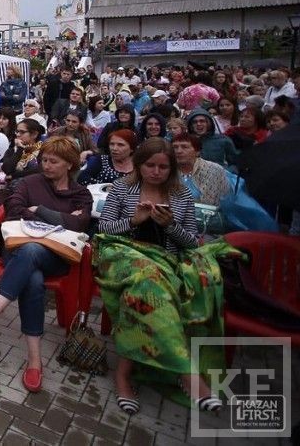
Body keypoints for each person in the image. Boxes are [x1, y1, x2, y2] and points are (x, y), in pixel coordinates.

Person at [94, 138, 227, 415]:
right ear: (140, 165)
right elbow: (103, 230)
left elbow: (192, 242)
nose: (156, 172)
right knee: (147, 277)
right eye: (150, 165)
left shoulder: (181, 196)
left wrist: (170, 226)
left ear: (172, 169)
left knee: (149, 287)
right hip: (121, 255)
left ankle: (124, 373)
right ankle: (185, 370)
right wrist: (134, 220)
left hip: (164, 261)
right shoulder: (122, 189)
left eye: (163, 167)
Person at [0, 137, 93, 392]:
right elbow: (14, 210)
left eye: (53, 161)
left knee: (34, 251)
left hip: (56, 256)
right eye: (44, 160)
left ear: (69, 164)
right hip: (19, 249)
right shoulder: (29, 182)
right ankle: (35, 358)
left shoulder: (80, 194)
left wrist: (40, 210)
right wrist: (61, 219)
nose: (46, 165)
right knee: (32, 277)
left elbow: (79, 225)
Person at [172, 133, 230, 206]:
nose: (178, 151)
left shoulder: (214, 170)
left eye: (184, 147)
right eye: (175, 147)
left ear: (197, 152)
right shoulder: (168, 170)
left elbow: (218, 203)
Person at [0, 119, 45, 186]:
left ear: (34, 134)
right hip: (13, 188)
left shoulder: (43, 150)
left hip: (35, 186)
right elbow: (7, 169)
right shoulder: (12, 150)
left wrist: (13, 175)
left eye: (22, 132)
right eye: (17, 131)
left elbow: (40, 170)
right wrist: (20, 149)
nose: (17, 134)